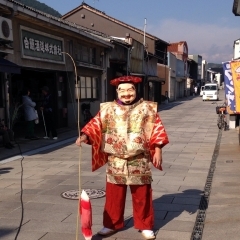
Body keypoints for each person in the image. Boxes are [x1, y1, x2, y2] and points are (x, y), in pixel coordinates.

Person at [76, 76, 169, 240]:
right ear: (117, 92)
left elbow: (157, 129)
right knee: (114, 195)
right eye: (123, 90)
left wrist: (158, 150)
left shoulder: (147, 108)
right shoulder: (107, 109)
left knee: (142, 194)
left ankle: (145, 225)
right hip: (116, 158)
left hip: (139, 158)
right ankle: (111, 224)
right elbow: (95, 125)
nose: (126, 94)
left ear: (135, 90)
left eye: (130, 90)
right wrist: (84, 135)